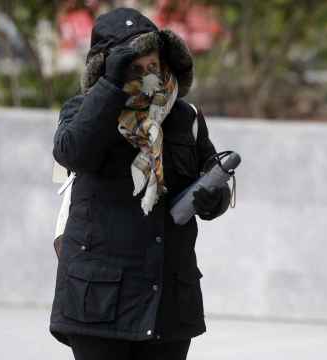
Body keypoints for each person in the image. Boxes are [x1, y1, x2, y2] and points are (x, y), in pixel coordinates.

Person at [49, 8, 231, 360]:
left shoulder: (185, 117)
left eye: (154, 65)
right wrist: (112, 88)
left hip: (167, 302)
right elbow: (72, 153)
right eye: (135, 67)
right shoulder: (83, 111)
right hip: (98, 303)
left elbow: (208, 177)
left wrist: (214, 198)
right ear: (107, 69)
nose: (149, 76)